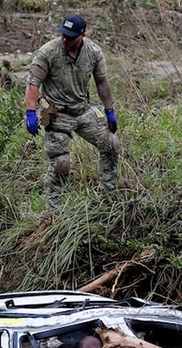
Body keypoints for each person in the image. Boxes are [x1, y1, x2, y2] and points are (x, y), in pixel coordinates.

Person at [24, 14, 119, 210]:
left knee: (111, 145)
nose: (65, 40)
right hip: (57, 113)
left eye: (71, 37)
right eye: (63, 35)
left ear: (82, 35)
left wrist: (109, 110)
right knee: (61, 163)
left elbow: (102, 83)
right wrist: (31, 113)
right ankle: (54, 210)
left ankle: (108, 197)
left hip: (83, 110)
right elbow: (33, 84)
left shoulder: (93, 52)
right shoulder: (48, 52)